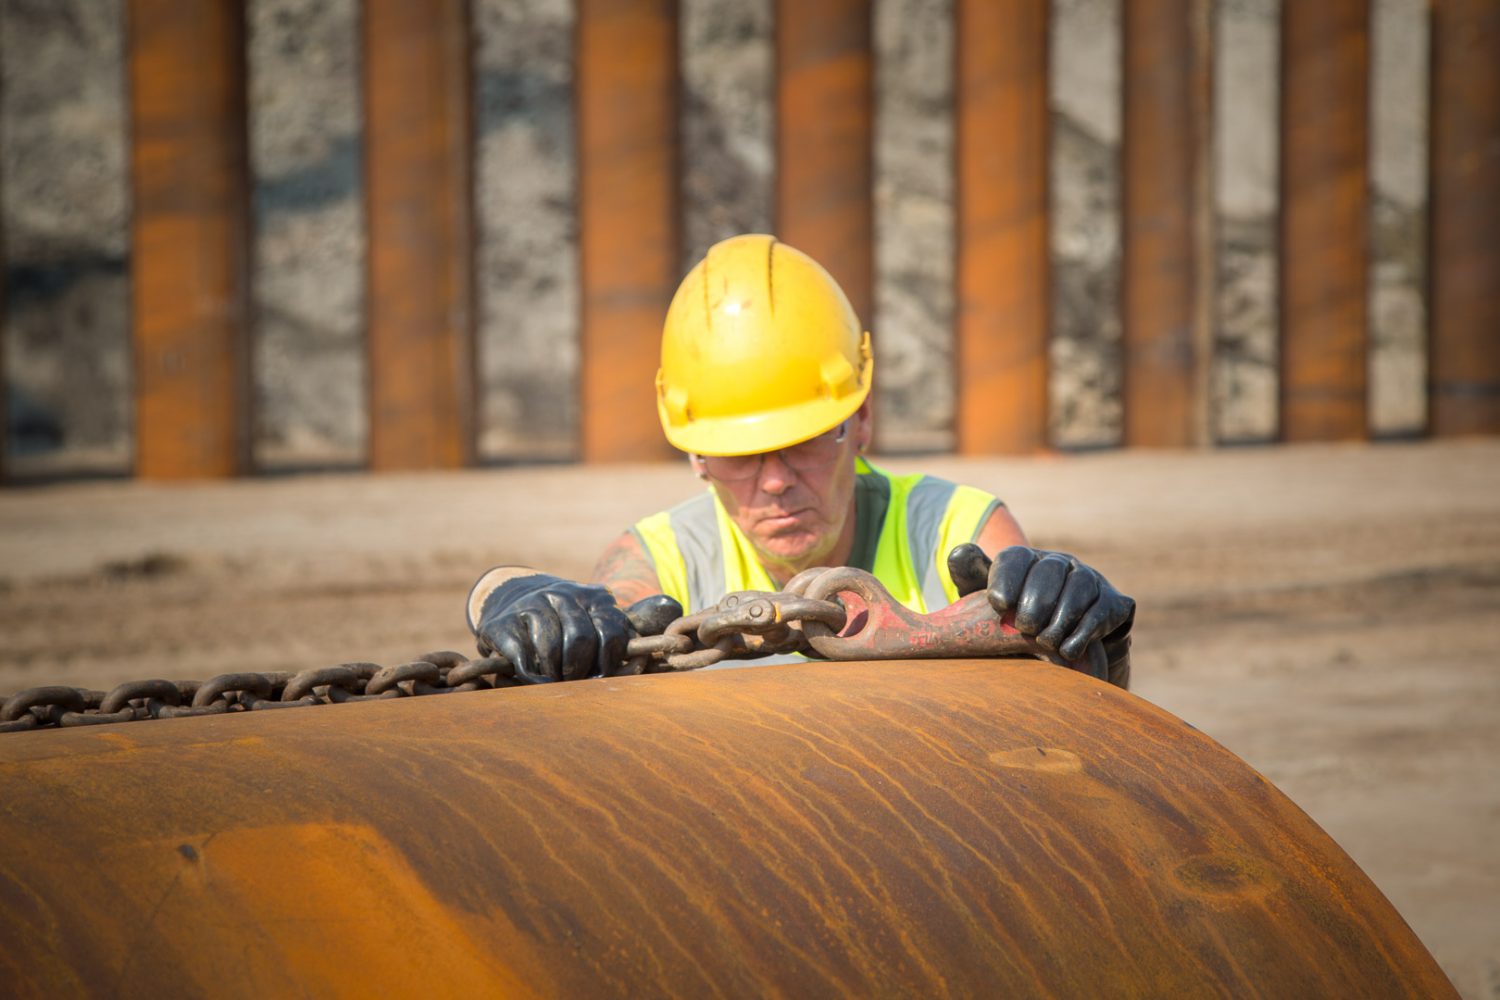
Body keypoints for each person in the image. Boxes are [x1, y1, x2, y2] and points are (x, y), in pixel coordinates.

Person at [467, 234, 1133, 687]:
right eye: (741, 456)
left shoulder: (955, 531)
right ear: (696, 454)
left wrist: (1083, 639)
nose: (778, 480)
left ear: (863, 417)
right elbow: (605, 620)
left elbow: (1060, 728)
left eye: (808, 441)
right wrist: (510, 595)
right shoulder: (659, 559)